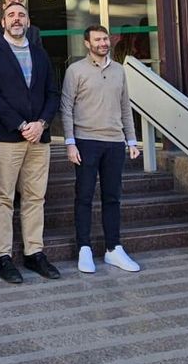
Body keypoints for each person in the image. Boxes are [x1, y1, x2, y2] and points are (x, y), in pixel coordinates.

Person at [0, 1, 61, 283]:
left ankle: (34, 252)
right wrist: (22, 125)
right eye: (11, 15)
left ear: (28, 21)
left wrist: (42, 124)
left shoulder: (40, 52)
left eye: (21, 15)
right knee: (3, 197)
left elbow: (52, 92)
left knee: (35, 196)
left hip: (39, 136)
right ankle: (2, 256)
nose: (16, 19)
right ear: (3, 22)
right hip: (7, 136)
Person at [61, 25, 144, 274]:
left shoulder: (119, 70)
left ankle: (113, 248)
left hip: (114, 142)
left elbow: (125, 106)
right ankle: (84, 248)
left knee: (112, 197)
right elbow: (66, 107)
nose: (103, 43)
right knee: (84, 196)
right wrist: (70, 142)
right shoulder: (75, 70)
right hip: (86, 141)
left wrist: (131, 140)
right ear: (87, 44)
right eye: (97, 39)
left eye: (105, 38)